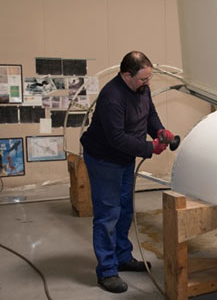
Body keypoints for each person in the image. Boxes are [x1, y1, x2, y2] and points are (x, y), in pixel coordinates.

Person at [80, 51, 174, 293]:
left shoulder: (142, 89)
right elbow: (117, 138)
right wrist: (149, 148)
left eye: (149, 78)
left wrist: (160, 132)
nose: (148, 83)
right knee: (108, 214)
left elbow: (150, 115)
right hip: (104, 159)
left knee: (124, 209)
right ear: (126, 75)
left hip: (124, 159)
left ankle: (123, 256)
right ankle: (107, 271)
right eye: (143, 79)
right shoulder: (112, 97)